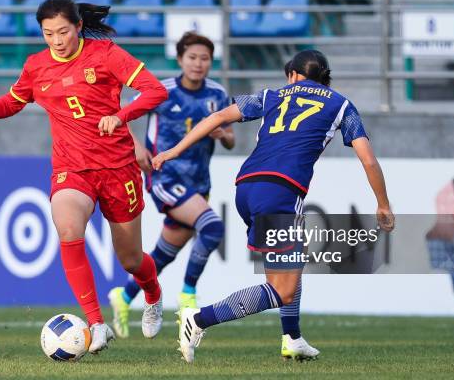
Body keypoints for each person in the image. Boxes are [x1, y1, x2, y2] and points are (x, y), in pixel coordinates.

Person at [152, 50, 395, 363]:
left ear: (293, 74)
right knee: (281, 289)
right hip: (280, 192)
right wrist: (383, 204)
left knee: (292, 261)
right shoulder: (340, 104)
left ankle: (292, 338)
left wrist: (173, 150)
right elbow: (368, 158)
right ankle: (198, 319)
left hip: (247, 186)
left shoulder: (272, 95)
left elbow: (217, 117)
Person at [0, 0, 168, 354]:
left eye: (63, 32)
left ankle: (152, 292)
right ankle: (96, 324)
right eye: (48, 34)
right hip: (71, 168)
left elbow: (155, 90)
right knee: (69, 229)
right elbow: (14, 101)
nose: (57, 41)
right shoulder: (36, 66)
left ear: (77, 27)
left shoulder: (106, 55)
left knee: (131, 259)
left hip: (118, 167)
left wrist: (121, 117)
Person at [108, 32, 235, 339]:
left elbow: (231, 139)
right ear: (180, 60)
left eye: (204, 58)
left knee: (165, 252)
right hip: (164, 176)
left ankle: (123, 297)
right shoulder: (161, 90)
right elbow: (119, 117)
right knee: (213, 227)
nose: (198, 64)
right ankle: (188, 296)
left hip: (198, 182)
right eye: (192, 57)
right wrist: (136, 147)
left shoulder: (217, 94)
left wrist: (222, 135)